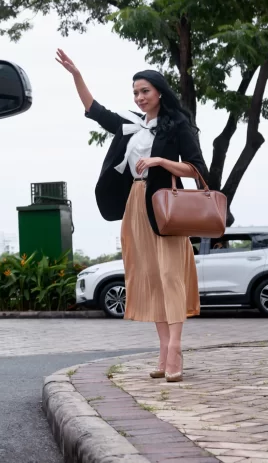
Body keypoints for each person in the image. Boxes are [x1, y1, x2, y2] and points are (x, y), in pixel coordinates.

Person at [56, 49, 210, 383]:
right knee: (151, 278)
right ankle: (163, 349)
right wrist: (76, 75)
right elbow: (94, 110)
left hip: (166, 207)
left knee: (170, 276)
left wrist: (160, 162)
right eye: (135, 92)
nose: (139, 97)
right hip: (135, 205)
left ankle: (176, 350)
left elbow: (198, 169)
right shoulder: (130, 125)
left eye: (145, 91)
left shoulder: (177, 126)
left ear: (159, 93)